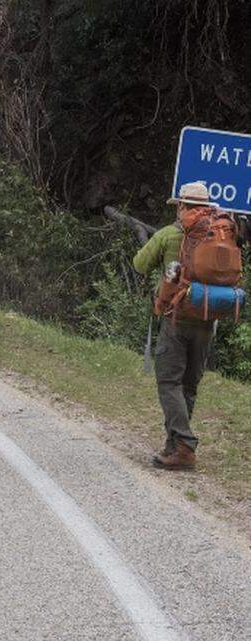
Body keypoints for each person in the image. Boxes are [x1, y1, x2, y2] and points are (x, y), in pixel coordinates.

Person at [132, 180, 217, 471]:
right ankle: (175, 446)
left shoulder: (169, 235)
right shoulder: (219, 234)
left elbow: (139, 264)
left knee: (169, 382)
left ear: (181, 206)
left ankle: (184, 446)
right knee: (188, 385)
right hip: (207, 319)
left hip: (176, 318)